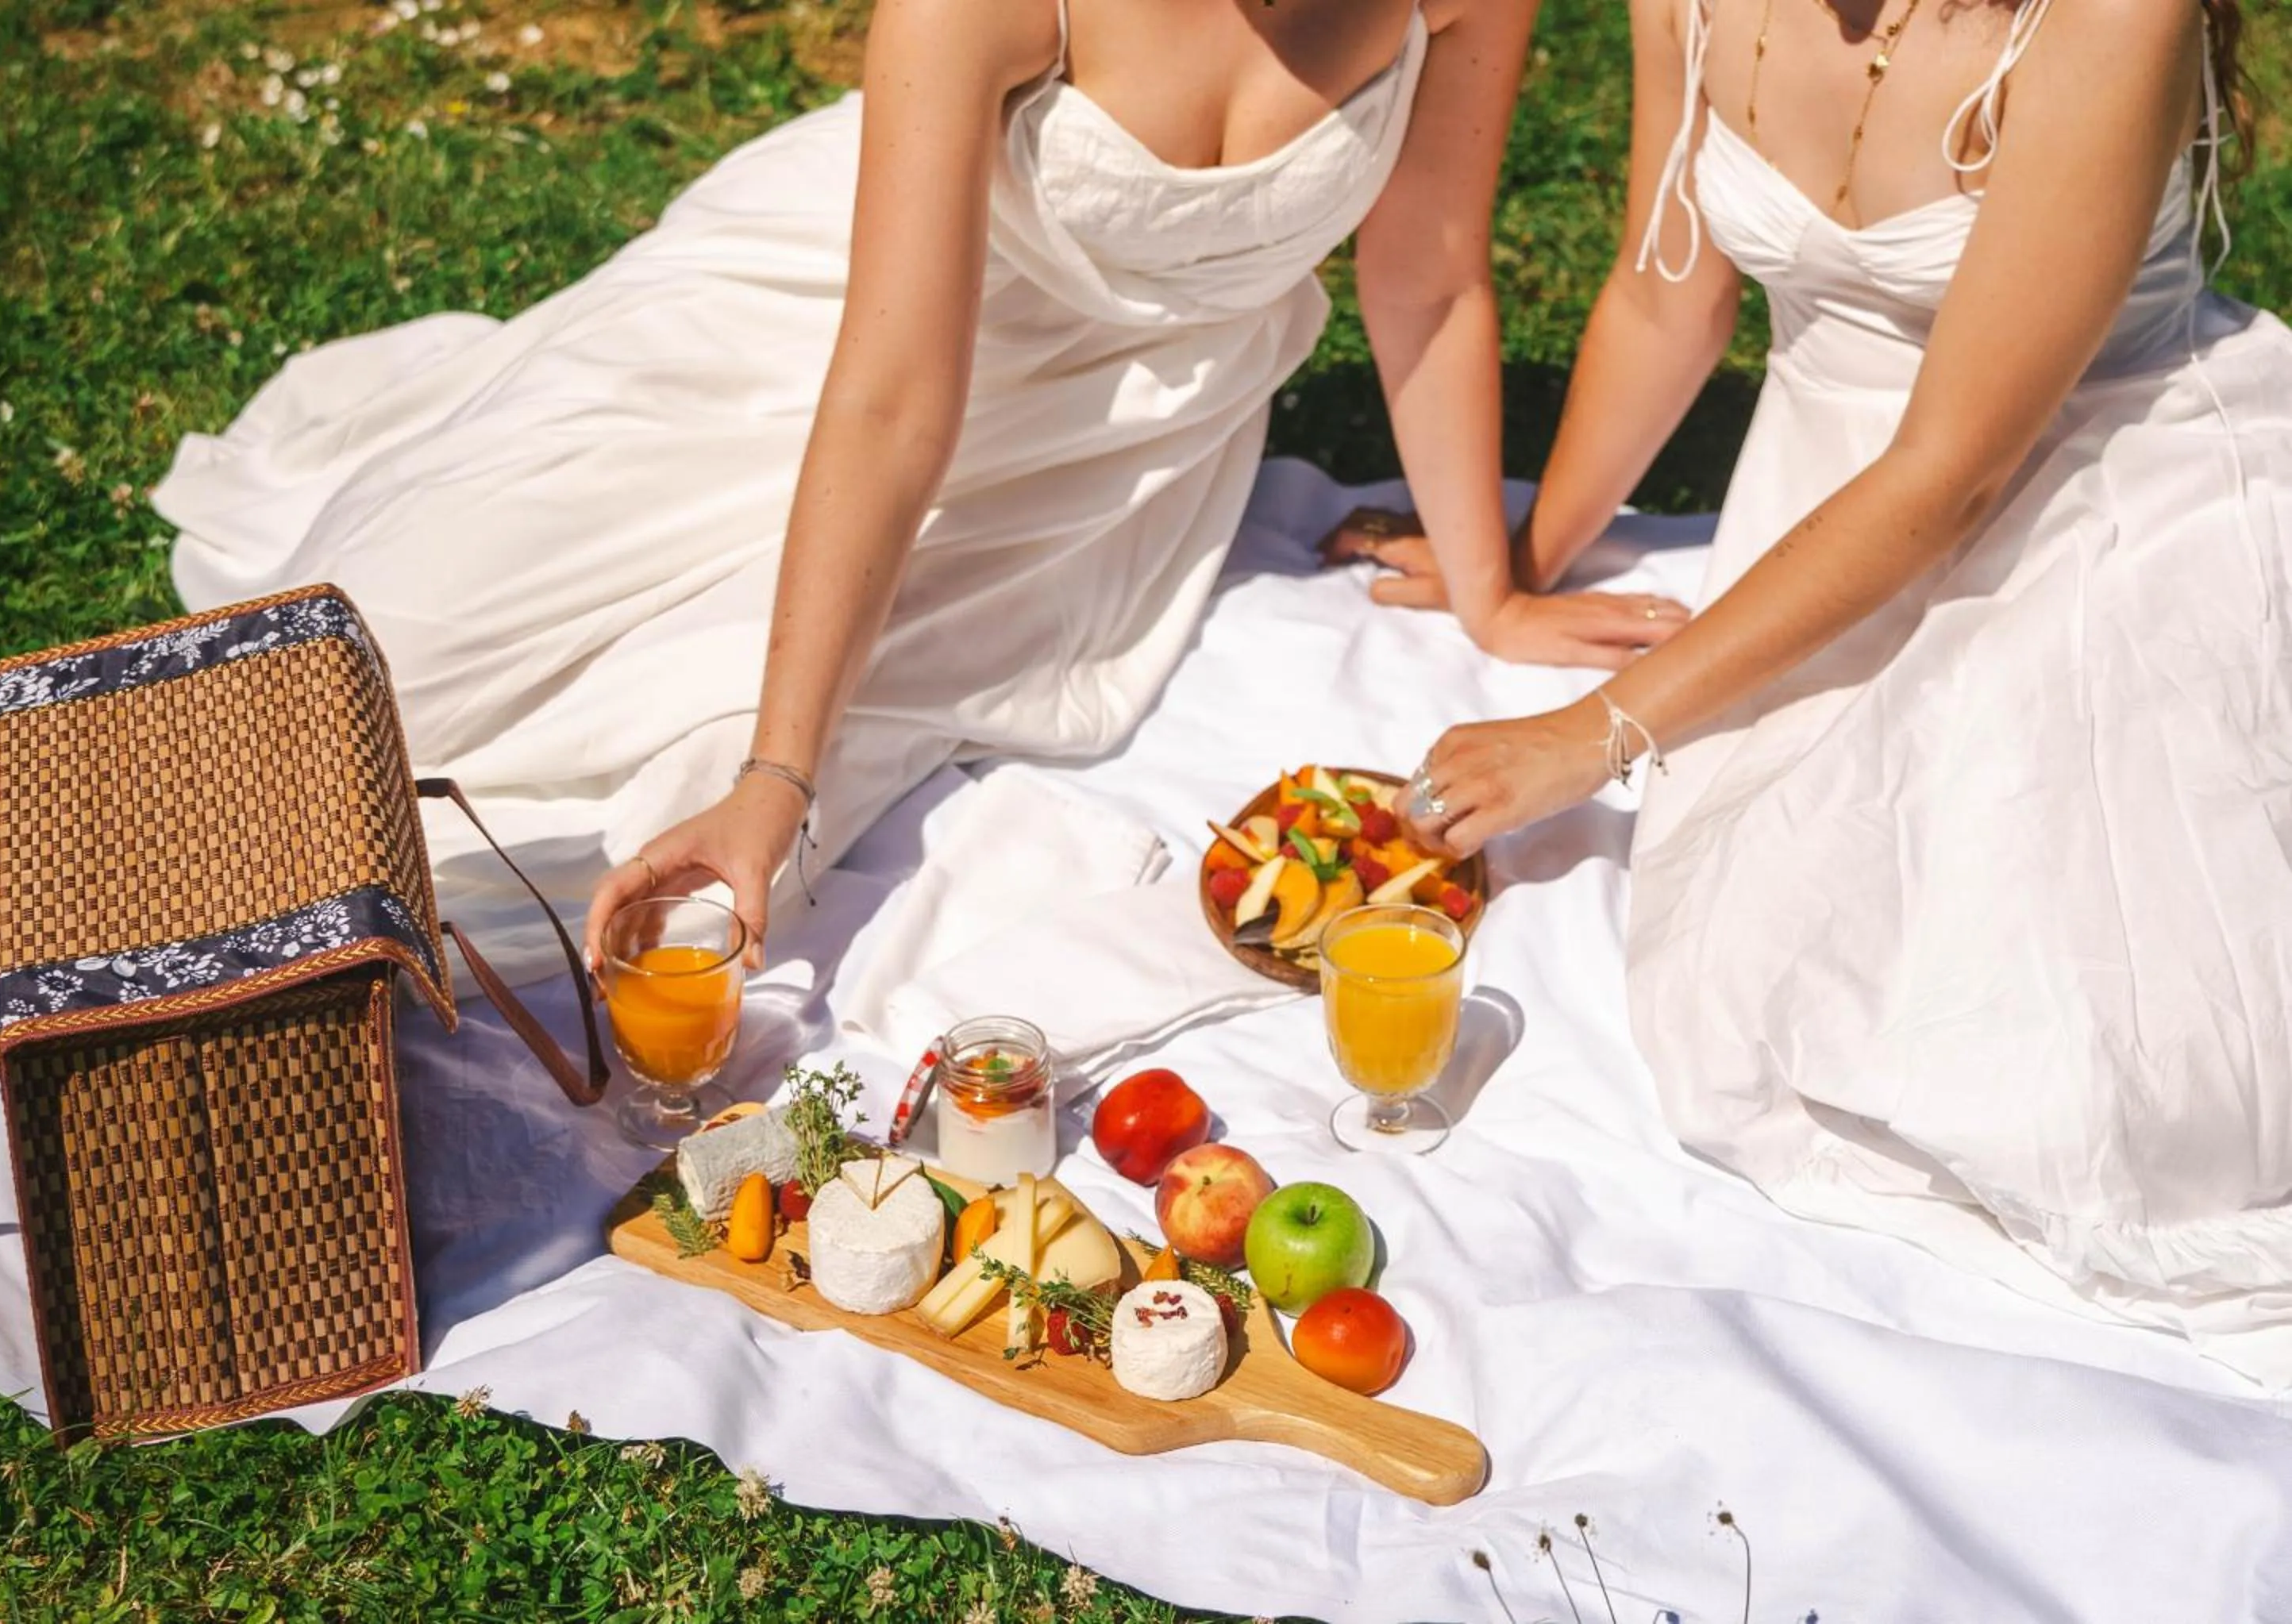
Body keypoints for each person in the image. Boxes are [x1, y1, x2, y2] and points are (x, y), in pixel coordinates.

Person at [156, 0, 1681, 975]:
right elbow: (890, 403)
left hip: (1119, 437)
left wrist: (1491, 586)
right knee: (383, 643)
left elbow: (1425, 274)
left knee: (652, 758)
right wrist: (779, 771)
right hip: (840, 317)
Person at [1395, 0, 2292, 1383]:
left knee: (2042, 1047)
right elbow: (1664, 292)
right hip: (1827, 493)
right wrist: (1520, 566)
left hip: (2083, 478)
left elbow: (1954, 474)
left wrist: (1599, 733)